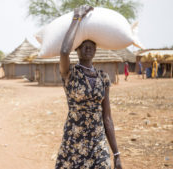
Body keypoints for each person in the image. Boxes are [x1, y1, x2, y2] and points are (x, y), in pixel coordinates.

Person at [56, 5, 122, 169]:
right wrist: (76, 17)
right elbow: (64, 52)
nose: (88, 47)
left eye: (91, 44)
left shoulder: (103, 77)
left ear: (96, 48)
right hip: (74, 141)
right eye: (83, 45)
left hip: (97, 141)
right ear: (76, 49)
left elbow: (107, 117)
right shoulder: (70, 74)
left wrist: (116, 154)